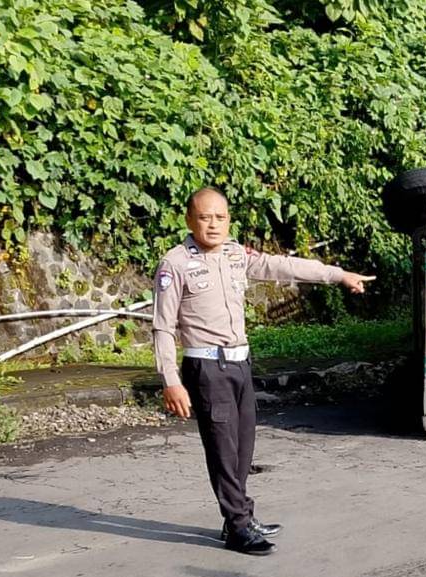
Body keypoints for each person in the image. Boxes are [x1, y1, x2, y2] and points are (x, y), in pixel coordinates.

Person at [153, 187, 374, 555]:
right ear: (190, 220)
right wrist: (171, 381)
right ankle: (238, 527)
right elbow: (162, 326)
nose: (213, 224)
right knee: (223, 449)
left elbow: (283, 266)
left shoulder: (237, 254)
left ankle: (238, 516)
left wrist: (338, 274)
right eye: (205, 217)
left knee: (242, 447)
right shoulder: (175, 263)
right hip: (207, 366)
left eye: (220, 217)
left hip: (240, 363)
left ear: (228, 220)